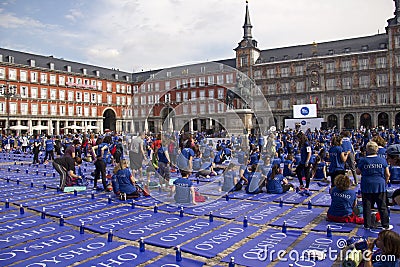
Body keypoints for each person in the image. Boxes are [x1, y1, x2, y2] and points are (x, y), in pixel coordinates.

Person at [356, 141, 391, 230]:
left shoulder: (363, 160)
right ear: (377, 150)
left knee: (367, 206)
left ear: (367, 149)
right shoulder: (382, 160)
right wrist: (385, 182)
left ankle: (367, 225)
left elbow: (358, 172)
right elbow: (387, 174)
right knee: (382, 206)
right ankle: (385, 225)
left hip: (367, 185)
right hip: (379, 185)